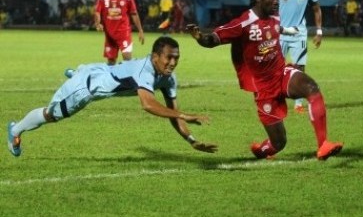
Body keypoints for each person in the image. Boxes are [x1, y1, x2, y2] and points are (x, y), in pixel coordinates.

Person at [185, 0, 343, 161]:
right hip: (263, 88)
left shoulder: (275, 17)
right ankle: (261, 150)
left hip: (282, 73)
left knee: (312, 88)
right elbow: (213, 40)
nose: (276, 1)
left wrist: (292, 31)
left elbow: (278, 28)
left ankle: (323, 145)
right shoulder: (243, 23)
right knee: (279, 143)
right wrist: (200, 37)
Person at [7, 36, 218, 157]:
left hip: (100, 71)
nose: (172, 62)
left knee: (101, 75)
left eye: (176, 58)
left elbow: (172, 115)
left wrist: (192, 140)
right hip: (85, 89)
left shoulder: (168, 78)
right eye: (168, 57)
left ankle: (77, 72)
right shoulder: (145, 71)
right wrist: (184, 115)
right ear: (155, 57)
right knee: (51, 115)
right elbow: (148, 104)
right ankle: (14, 130)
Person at [279, 0, 323, 114]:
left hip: (299, 35)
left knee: (299, 68)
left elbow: (317, 9)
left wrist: (319, 31)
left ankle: (298, 103)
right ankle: (276, 98)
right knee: (274, 67)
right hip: (280, 34)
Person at [94, 0, 145, 65]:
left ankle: (128, 79)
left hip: (124, 33)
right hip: (110, 36)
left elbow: (134, 14)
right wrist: (98, 23)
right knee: (111, 62)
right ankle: (111, 79)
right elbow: (97, 12)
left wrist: (140, 30)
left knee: (127, 59)